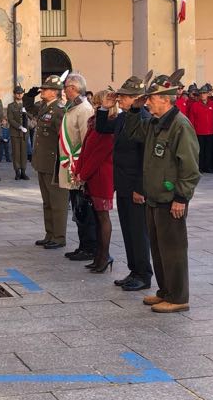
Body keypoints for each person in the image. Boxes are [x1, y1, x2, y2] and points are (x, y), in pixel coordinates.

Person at [109, 73, 201, 314]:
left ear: (166, 100)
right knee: (160, 251)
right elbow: (132, 133)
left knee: (174, 250)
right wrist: (133, 111)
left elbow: (190, 168)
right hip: (154, 198)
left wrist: (181, 197)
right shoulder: (154, 123)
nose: (147, 102)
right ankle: (165, 291)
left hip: (171, 200)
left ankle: (178, 296)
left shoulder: (180, 125)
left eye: (151, 98)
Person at [95, 75, 151, 291]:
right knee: (128, 230)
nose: (120, 99)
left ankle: (143, 275)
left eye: (125, 96)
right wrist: (104, 108)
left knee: (138, 232)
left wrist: (140, 188)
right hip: (123, 184)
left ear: (138, 98)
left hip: (135, 186)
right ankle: (133, 270)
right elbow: (102, 128)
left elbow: (144, 158)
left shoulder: (144, 119)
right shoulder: (122, 117)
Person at [73, 90, 115, 274]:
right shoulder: (95, 123)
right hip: (92, 175)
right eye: (95, 104)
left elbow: (98, 155)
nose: (95, 107)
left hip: (101, 177)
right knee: (97, 218)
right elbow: (85, 150)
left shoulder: (108, 127)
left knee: (103, 217)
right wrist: (78, 171)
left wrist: (83, 174)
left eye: (98, 104)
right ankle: (99, 255)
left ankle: (104, 257)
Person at [59, 73, 96, 261]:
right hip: (72, 166)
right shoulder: (72, 108)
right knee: (77, 207)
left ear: (73, 88)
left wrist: (82, 170)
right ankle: (83, 244)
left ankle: (90, 246)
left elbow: (86, 141)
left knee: (84, 208)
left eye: (66, 87)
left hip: (79, 167)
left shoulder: (84, 109)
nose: (64, 90)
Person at [32, 74, 68, 250]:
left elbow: (63, 138)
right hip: (43, 161)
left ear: (54, 92)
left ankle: (59, 236)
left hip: (54, 162)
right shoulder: (45, 107)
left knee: (57, 202)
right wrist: (27, 95)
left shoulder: (59, 110)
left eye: (45, 89)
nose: (42, 91)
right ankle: (50, 233)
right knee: (47, 201)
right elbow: (29, 107)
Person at [188, 84, 213, 173]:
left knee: (209, 151)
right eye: (201, 93)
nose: (202, 95)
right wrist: (192, 131)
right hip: (199, 132)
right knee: (200, 151)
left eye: (204, 93)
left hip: (210, 132)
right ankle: (200, 167)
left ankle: (207, 167)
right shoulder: (195, 105)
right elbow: (191, 120)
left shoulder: (212, 105)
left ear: (208, 94)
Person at [6, 86, 31, 181]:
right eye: (17, 93)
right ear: (14, 94)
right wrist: (19, 127)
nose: (19, 94)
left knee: (24, 152)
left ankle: (23, 171)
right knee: (16, 152)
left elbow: (32, 116)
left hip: (25, 133)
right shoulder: (11, 106)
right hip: (15, 132)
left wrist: (26, 113)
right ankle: (17, 171)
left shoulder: (26, 105)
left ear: (23, 94)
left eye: (21, 93)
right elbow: (10, 119)